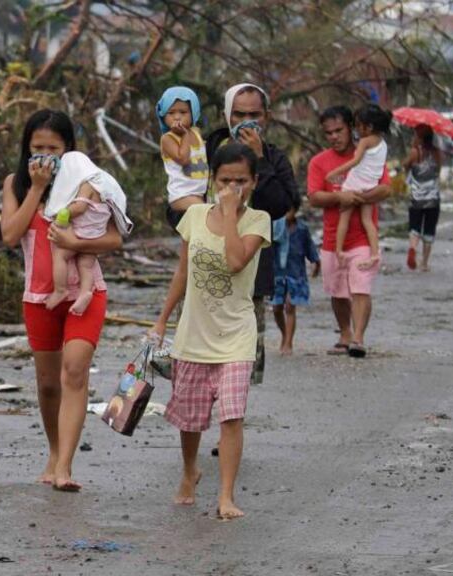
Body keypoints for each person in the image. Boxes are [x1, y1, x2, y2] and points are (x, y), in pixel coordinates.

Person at [0, 110, 130, 492]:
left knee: (73, 371)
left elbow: (114, 239)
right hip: (39, 297)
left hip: (87, 292)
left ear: (68, 150)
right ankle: (54, 450)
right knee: (47, 383)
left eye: (53, 149)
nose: (44, 156)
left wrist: (77, 244)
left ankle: (65, 467)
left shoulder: (88, 184)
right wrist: (38, 190)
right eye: (36, 148)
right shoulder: (16, 185)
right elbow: (10, 234)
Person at [151, 143, 272, 521]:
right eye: (224, 180)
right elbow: (182, 272)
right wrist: (162, 320)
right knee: (190, 418)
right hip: (193, 333)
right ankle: (190, 471)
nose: (232, 187)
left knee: (232, 415)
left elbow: (236, 262)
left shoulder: (257, 220)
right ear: (212, 180)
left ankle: (225, 496)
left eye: (240, 181)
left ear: (253, 182)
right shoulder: (195, 216)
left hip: (236, 333)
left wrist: (233, 213)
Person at [203, 83, 298, 387]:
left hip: (251, 274)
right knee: (199, 358)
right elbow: (179, 201)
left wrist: (261, 160)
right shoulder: (203, 150)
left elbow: (281, 205)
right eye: (238, 114)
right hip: (202, 268)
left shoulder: (274, 157)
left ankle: (232, 420)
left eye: (253, 114)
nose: (246, 121)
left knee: (242, 361)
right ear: (225, 115)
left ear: (266, 117)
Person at [307, 105, 392, 358]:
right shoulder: (318, 162)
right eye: (328, 132)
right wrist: (340, 197)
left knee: (360, 287)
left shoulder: (369, 152)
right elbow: (313, 197)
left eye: (339, 130)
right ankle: (344, 333)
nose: (334, 136)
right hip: (333, 238)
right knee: (337, 291)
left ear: (351, 128)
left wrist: (357, 196)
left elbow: (386, 189)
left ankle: (358, 339)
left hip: (363, 237)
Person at [45, 151, 130, 315]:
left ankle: (60, 290)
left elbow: (80, 207)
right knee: (85, 266)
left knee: (60, 256)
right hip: (96, 235)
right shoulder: (103, 185)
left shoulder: (87, 184)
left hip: (80, 233)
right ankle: (85, 293)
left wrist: (63, 212)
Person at [325, 104, 392, 270]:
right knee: (368, 221)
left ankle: (339, 250)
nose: (355, 129)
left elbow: (355, 161)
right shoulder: (382, 143)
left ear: (368, 127)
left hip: (354, 185)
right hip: (370, 186)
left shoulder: (365, 141)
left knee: (344, 219)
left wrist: (334, 172)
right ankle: (375, 253)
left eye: (357, 125)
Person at [271, 202, 320, 356]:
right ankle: (285, 334)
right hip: (277, 273)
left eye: (290, 210)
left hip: (295, 273)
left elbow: (309, 247)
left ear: (296, 210)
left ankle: (288, 343)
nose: (286, 213)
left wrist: (316, 263)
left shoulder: (302, 229)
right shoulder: (274, 228)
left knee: (290, 306)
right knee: (277, 308)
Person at [157, 86, 208, 217]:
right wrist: (185, 135)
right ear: (163, 116)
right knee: (206, 213)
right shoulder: (167, 139)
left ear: (193, 114)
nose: (177, 117)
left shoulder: (196, 133)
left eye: (183, 112)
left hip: (199, 193)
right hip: (181, 196)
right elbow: (183, 159)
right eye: (171, 113)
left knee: (194, 233)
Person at [403, 125, 443, 271]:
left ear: (419, 137)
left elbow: (405, 165)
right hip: (433, 198)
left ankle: (413, 248)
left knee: (414, 227)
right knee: (429, 230)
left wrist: (410, 167)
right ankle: (424, 263)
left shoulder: (415, 152)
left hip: (416, 198)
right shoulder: (437, 152)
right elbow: (438, 171)